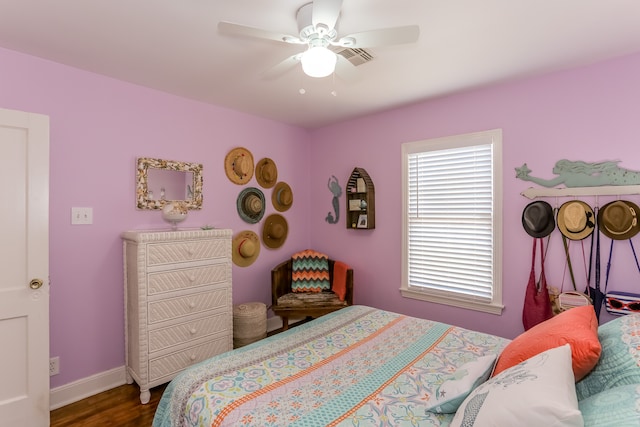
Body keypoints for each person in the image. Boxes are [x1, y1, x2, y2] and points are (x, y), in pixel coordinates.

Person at [515, 160, 640, 187]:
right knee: (635, 178)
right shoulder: (568, 175)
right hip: (608, 177)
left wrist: (530, 178)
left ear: (563, 168)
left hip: (609, 177)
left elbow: (548, 184)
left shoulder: (566, 175)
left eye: (556, 167)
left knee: (636, 178)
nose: (553, 169)